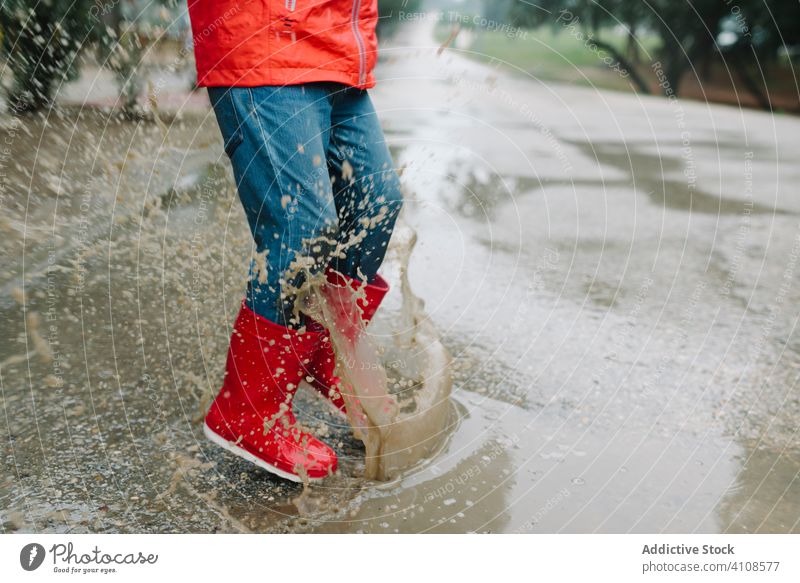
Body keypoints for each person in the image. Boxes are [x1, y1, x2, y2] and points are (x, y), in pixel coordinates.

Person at [187, 1, 403, 482]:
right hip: (264, 38)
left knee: (376, 203)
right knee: (302, 228)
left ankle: (325, 355)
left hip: (341, 47)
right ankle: (247, 411)